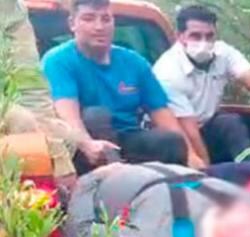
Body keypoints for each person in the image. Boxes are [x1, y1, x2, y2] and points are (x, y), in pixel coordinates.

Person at [41, 0, 196, 175]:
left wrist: (192, 158)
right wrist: (87, 144)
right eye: (89, 19)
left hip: (129, 140)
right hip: (84, 145)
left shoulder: (134, 62)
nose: (99, 26)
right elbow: (68, 117)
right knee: (95, 116)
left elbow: (163, 115)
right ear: (72, 24)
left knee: (170, 141)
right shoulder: (58, 60)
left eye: (105, 19)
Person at [153, 5, 250, 164]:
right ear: (180, 36)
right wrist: (206, 168)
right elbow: (190, 131)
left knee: (234, 123)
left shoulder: (222, 54)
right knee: (225, 126)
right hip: (176, 136)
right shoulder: (169, 72)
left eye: (209, 36)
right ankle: (246, 171)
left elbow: (249, 76)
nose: (203, 42)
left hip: (207, 124)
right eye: (195, 36)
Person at [1, 0, 83, 191]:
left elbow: (31, 88)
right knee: (19, 119)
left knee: (65, 135)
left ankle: (37, 207)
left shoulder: (10, 8)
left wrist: (59, 160)